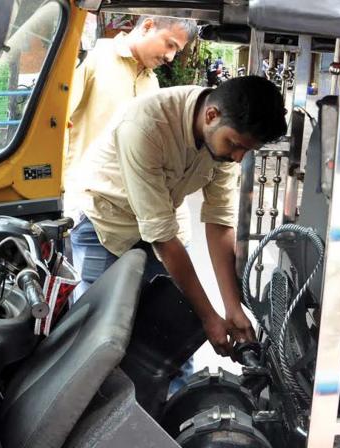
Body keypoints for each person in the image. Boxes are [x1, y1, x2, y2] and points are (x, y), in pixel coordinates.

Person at [72, 76, 287, 356]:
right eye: (235, 145)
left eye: (247, 150)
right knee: (101, 341)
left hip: (164, 220)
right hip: (105, 226)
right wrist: (210, 317)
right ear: (211, 115)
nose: (238, 158)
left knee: (174, 340)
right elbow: (161, 237)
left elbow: (219, 222)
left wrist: (232, 308)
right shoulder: (145, 126)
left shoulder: (224, 139)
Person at [64, 16, 197, 298]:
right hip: (94, 211)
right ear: (148, 26)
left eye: (177, 50)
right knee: (92, 308)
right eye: (169, 44)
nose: (171, 56)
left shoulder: (152, 83)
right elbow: (60, 123)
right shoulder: (96, 61)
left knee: (139, 309)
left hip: (140, 218)